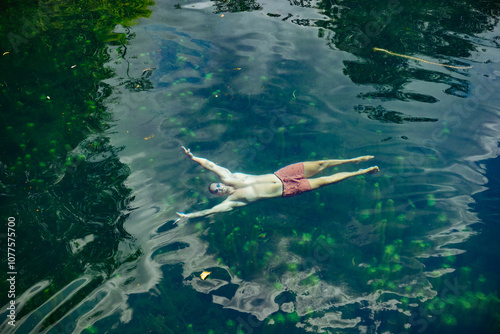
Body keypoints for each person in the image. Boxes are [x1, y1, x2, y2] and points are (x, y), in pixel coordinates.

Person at [176, 146, 379, 221]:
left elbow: (211, 165)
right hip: (288, 189)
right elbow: (209, 212)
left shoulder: (230, 176)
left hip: (282, 174)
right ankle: (360, 172)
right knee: (326, 181)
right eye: (218, 191)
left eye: (217, 185)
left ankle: (354, 161)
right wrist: (189, 216)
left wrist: (192, 158)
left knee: (321, 164)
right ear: (220, 195)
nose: (220, 188)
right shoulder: (232, 201)